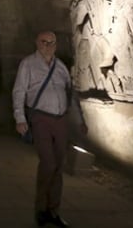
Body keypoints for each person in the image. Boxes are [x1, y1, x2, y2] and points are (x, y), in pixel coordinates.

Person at [12, 31, 87, 228]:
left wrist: (80, 120)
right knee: (48, 163)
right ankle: (40, 209)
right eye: (44, 42)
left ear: (56, 45)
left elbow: (71, 95)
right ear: (37, 43)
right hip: (41, 118)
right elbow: (19, 91)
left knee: (59, 165)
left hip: (60, 119)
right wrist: (20, 118)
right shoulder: (28, 64)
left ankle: (53, 211)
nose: (48, 46)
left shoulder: (60, 66)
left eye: (52, 42)